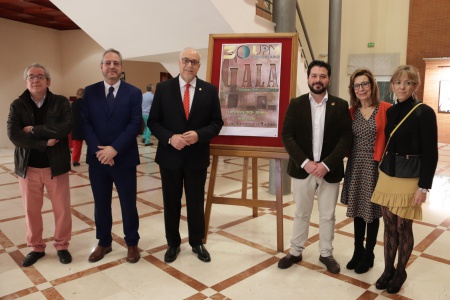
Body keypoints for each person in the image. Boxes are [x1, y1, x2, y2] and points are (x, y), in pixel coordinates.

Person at [148, 47, 223, 263]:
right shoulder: (164, 88)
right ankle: (172, 243)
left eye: (194, 62)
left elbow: (217, 123)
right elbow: (153, 122)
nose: (189, 65)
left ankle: (197, 242)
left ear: (199, 66)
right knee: (171, 202)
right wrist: (171, 138)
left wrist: (199, 135)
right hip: (170, 157)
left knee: (196, 202)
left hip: (196, 157)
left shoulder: (209, 90)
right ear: (179, 63)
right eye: (186, 60)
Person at [278, 60, 352, 274]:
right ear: (308, 78)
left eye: (322, 76)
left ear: (328, 79)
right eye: (314, 76)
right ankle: (295, 251)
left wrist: (327, 164)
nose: (318, 80)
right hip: (303, 170)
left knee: (327, 215)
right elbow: (287, 136)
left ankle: (326, 253)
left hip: (330, 170)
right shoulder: (296, 104)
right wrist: (306, 163)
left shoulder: (340, 105)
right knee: (301, 212)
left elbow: (345, 138)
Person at [371, 65, 438, 294]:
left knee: (403, 226)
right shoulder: (391, 112)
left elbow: (431, 151)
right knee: (388, 225)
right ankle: (388, 269)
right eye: (398, 82)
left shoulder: (423, 112)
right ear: (392, 86)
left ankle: (401, 270)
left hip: (411, 175)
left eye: (408, 82)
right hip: (389, 173)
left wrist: (424, 186)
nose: (402, 87)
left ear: (415, 86)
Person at [7, 63, 73, 267]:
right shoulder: (17, 105)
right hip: (28, 168)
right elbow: (14, 135)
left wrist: (34, 129)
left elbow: (65, 127)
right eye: (31, 76)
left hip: (57, 167)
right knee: (31, 210)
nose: (35, 80)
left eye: (40, 76)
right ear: (26, 81)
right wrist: (44, 142)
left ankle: (62, 245)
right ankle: (36, 247)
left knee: (62, 209)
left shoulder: (60, 102)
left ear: (48, 81)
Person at [82, 48, 142, 264]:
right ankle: (104, 242)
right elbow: (86, 123)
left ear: (121, 67)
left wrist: (113, 149)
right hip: (98, 161)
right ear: (101, 67)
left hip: (123, 158)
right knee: (101, 202)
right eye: (107, 63)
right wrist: (100, 152)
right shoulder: (90, 92)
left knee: (128, 203)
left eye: (116, 63)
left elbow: (135, 124)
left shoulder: (134, 93)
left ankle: (132, 243)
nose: (112, 67)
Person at [340, 68, 392, 274]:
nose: (361, 89)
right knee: (358, 212)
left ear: (372, 86)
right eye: (357, 85)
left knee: (372, 212)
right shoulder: (351, 112)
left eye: (365, 84)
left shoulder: (386, 109)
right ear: (353, 89)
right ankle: (357, 251)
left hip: (375, 167)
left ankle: (369, 253)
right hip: (355, 166)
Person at [71, 88, 85, 166]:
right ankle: (93, 159)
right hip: (86, 126)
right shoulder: (87, 103)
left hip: (76, 127)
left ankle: (75, 161)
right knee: (91, 144)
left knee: (76, 145)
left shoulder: (73, 104)